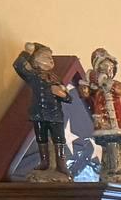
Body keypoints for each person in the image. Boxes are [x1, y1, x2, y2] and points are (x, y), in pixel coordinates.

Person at [13, 42, 77, 180]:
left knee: (58, 138)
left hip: (55, 114)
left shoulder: (55, 78)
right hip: (39, 113)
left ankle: (61, 164)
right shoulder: (33, 76)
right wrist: (27, 53)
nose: (50, 60)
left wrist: (61, 93)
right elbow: (19, 65)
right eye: (46, 57)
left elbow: (68, 98)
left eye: (51, 57)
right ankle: (44, 162)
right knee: (41, 138)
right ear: (36, 61)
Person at [76, 47, 121, 183]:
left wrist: (106, 83)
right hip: (104, 119)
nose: (108, 70)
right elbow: (85, 95)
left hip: (120, 119)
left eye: (111, 68)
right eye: (105, 67)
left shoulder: (114, 84)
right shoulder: (96, 87)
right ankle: (113, 169)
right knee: (111, 144)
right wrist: (85, 86)